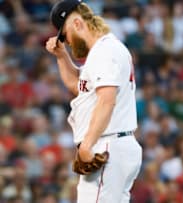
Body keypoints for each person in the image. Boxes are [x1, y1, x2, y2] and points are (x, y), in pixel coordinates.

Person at [45, 0, 142, 202]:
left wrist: (87, 146)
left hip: (107, 144)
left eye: (65, 35)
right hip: (115, 145)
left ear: (78, 24)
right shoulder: (105, 49)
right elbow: (79, 87)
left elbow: (107, 101)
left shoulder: (104, 52)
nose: (66, 41)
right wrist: (62, 56)